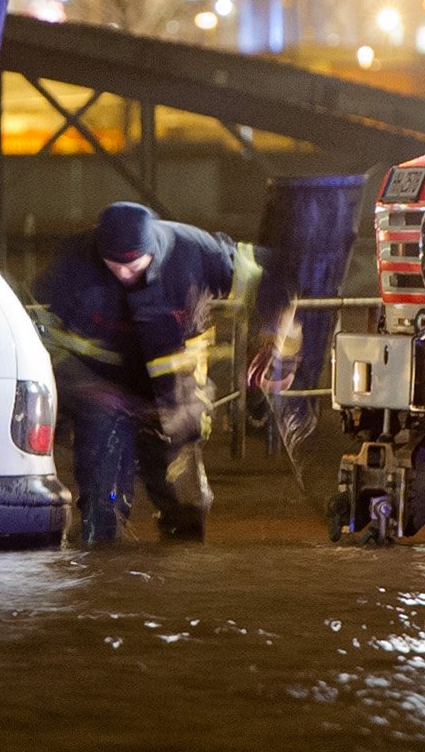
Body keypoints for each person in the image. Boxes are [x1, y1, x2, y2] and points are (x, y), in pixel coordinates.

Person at [31, 201, 256, 546]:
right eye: (114, 264)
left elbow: (263, 275)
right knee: (101, 496)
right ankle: (100, 555)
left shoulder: (191, 250)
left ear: (152, 251)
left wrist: (271, 337)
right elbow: (43, 339)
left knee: (183, 499)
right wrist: (85, 387)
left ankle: (182, 550)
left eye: (133, 264)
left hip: (175, 396)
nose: (123, 273)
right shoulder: (74, 262)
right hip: (102, 393)